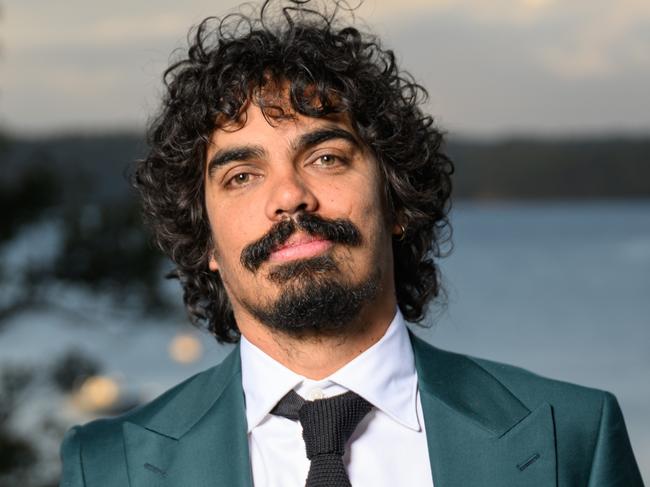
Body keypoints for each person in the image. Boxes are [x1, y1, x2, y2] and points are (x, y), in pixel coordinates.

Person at [59, 1, 644, 486]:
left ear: (394, 198)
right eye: (242, 175)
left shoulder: (573, 437)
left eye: (326, 157)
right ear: (205, 239)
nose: (289, 196)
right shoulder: (109, 466)